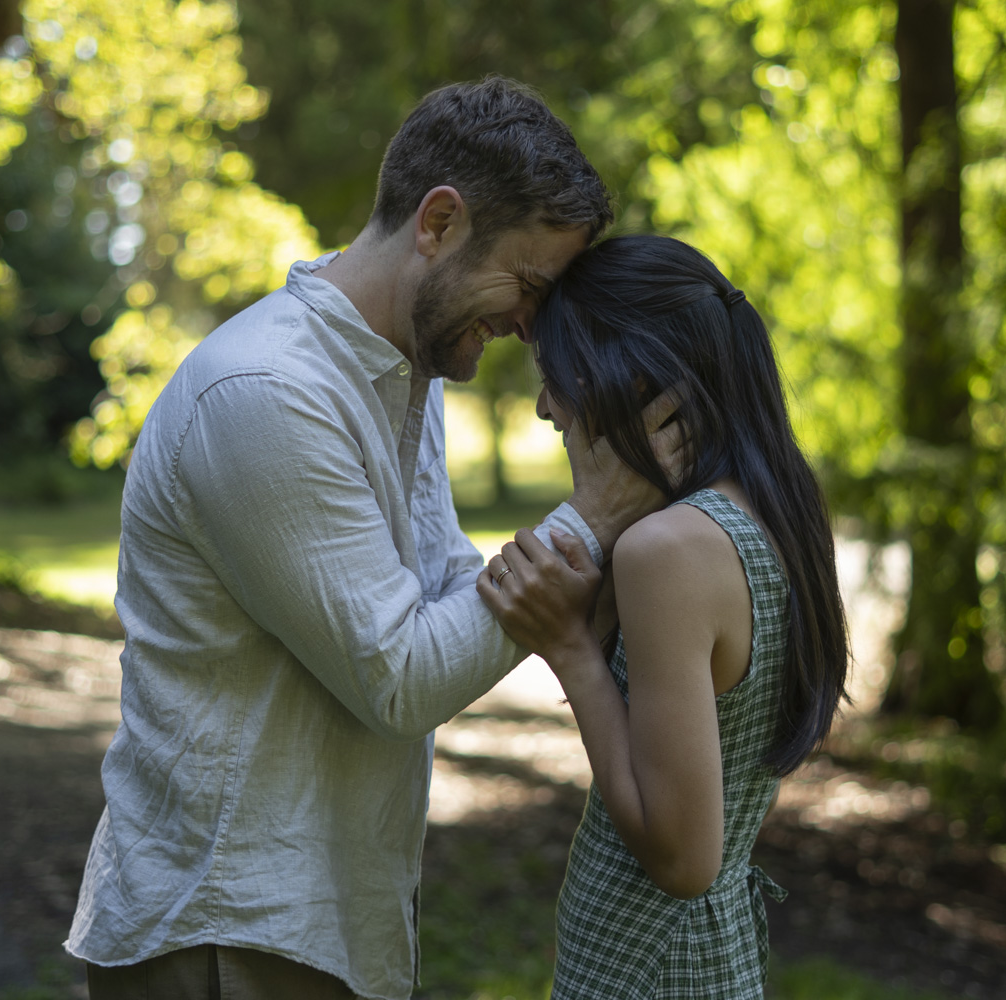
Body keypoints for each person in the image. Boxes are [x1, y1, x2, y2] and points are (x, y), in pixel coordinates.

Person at [66, 79, 681, 1000]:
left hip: (320, 922)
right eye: (528, 283)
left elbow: (449, 597)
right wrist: (591, 518)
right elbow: (400, 675)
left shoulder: (405, 374)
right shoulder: (268, 395)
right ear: (437, 222)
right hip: (228, 931)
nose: (529, 325)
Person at [478, 234, 850, 1000]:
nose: (547, 406)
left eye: (557, 377)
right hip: (706, 953)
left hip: (654, 965)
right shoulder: (768, 507)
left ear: (632, 372)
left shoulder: (669, 551)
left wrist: (571, 651)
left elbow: (684, 861)